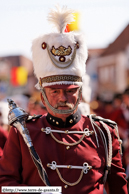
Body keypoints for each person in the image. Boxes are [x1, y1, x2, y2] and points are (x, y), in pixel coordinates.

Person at [0, 5, 128, 194]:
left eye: (69, 91)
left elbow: (119, 189)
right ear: (42, 94)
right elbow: (5, 184)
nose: (62, 98)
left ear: (80, 91)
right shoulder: (22, 133)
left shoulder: (105, 133)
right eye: (54, 91)